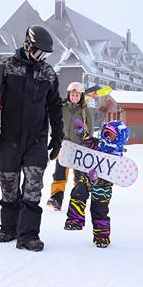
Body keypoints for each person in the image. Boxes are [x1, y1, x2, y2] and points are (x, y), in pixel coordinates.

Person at [0, 25, 63, 252]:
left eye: (46, 55)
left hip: (35, 139)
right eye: (39, 53)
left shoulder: (48, 73)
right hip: (8, 138)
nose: (42, 58)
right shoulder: (4, 68)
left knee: (33, 187)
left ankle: (28, 234)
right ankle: (9, 226)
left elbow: (55, 107)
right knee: (8, 186)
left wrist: (57, 136)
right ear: (27, 46)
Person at [65, 119, 129, 248]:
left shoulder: (117, 158)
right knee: (78, 191)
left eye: (111, 135)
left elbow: (113, 176)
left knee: (99, 210)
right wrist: (82, 131)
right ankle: (75, 220)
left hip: (103, 186)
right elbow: (89, 141)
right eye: (106, 134)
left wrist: (98, 180)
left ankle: (102, 237)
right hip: (88, 177)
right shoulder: (99, 144)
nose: (107, 137)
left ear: (119, 138)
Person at [46, 82, 93, 211]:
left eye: (77, 95)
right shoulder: (63, 107)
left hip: (79, 148)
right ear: (69, 95)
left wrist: (87, 141)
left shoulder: (85, 111)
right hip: (64, 146)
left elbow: (91, 128)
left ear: (81, 96)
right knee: (59, 174)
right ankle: (56, 198)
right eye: (72, 95)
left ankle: (78, 199)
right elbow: (54, 118)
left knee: (79, 176)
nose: (75, 97)